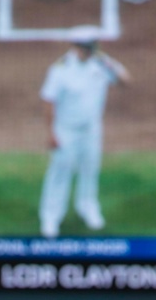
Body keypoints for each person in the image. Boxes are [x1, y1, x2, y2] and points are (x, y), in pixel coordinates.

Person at [38, 25, 130, 238]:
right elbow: (48, 101)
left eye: (92, 47)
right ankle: (51, 217)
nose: (90, 52)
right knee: (60, 172)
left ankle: (87, 207)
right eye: (87, 48)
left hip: (92, 129)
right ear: (76, 47)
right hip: (66, 130)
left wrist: (109, 65)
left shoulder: (101, 63)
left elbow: (126, 81)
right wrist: (51, 133)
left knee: (90, 169)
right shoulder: (60, 70)